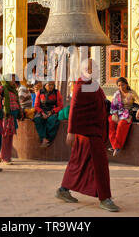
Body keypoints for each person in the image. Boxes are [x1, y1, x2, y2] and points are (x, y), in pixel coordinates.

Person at [56, 59, 120, 212]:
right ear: (86, 69)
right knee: (100, 165)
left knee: (79, 163)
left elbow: (101, 102)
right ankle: (105, 198)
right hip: (86, 133)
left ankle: (63, 189)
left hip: (95, 130)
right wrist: (70, 131)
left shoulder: (94, 85)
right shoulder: (80, 86)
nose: (97, 69)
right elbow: (74, 109)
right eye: (94, 67)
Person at [109, 77, 139, 156]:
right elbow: (113, 106)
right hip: (117, 113)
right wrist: (115, 114)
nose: (121, 87)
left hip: (126, 114)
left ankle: (117, 147)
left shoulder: (132, 93)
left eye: (122, 85)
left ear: (126, 84)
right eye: (119, 86)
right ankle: (115, 145)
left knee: (121, 124)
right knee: (111, 122)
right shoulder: (117, 94)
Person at [0, 74, 23, 165]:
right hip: (6, 116)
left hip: (13, 116)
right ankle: (4, 157)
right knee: (5, 136)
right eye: (11, 79)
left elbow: (17, 102)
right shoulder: (2, 89)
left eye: (14, 79)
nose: (13, 81)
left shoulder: (14, 90)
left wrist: (20, 112)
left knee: (10, 137)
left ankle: (7, 157)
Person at [34, 80, 63, 148]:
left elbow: (60, 106)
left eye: (52, 85)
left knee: (53, 120)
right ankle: (43, 138)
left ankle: (48, 139)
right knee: (37, 119)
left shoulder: (56, 92)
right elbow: (36, 105)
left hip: (52, 111)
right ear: (45, 85)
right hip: (42, 111)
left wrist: (52, 112)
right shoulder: (40, 92)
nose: (51, 86)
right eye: (49, 84)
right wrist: (42, 113)